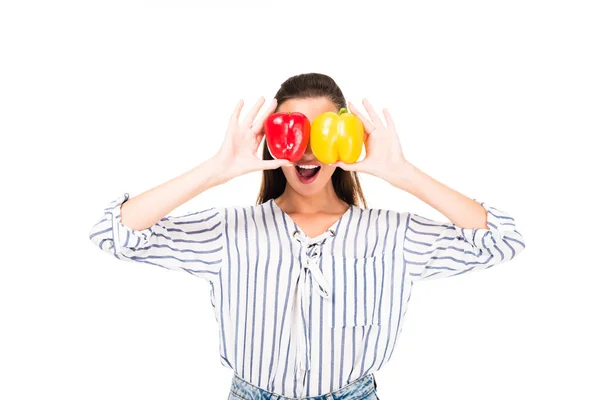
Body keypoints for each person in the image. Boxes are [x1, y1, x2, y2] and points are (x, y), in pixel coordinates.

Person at [88, 73, 526, 400]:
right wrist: (214, 171)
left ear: (347, 139)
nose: (307, 149)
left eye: (324, 133)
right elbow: (115, 233)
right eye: (291, 132)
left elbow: (502, 239)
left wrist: (403, 174)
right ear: (272, 141)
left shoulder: (392, 235)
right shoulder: (231, 231)